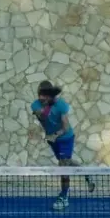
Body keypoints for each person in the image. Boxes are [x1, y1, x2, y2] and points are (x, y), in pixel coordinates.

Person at [30, 80, 92, 210]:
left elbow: (66, 127)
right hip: (52, 140)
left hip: (65, 138)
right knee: (65, 162)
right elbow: (43, 117)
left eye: (44, 95)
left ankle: (63, 197)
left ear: (49, 94)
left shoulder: (61, 105)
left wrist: (55, 135)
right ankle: (86, 172)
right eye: (39, 94)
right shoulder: (35, 105)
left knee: (63, 167)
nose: (40, 97)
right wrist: (48, 105)